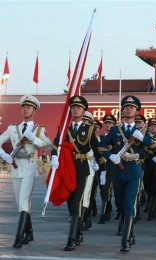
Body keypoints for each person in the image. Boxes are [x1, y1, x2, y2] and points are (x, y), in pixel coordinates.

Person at [98, 95, 156, 252]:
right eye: (126, 107)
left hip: (133, 171)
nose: (129, 109)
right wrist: (110, 156)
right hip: (118, 171)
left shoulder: (141, 131)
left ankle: (124, 241)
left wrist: (143, 138)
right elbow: (102, 146)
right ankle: (130, 233)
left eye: (132, 107)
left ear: (137, 111)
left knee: (129, 204)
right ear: (122, 110)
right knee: (120, 204)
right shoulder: (115, 130)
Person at [51, 95, 105, 251]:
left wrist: (103, 170)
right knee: (70, 202)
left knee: (76, 203)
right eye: (73, 107)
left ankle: (71, 239)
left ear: (83, 111)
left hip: (82, 168)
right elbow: (57, 143)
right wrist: (54, 156)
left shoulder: (88, 130)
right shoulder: (64, 128)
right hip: (67, 168)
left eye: (79, 108)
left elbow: (97, 150)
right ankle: (78, 231)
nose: (75, 109)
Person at [0, 95, 52, 248]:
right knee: (20, 204)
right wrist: (3, 155)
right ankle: (29, 232)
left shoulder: (39, 129)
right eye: (23, 107)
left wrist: (34, 139)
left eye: (28, 107)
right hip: (16, 168)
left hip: (29, 167)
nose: (25, 109)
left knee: (24, 201)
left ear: (34, 111)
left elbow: (49, 146)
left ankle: (19, 237)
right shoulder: (12, 128)